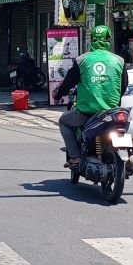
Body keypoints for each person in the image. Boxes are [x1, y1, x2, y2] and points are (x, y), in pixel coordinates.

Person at [54, 25, 128, 168]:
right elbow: (123, 86)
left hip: (86, 113)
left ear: (92, 40)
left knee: (63, 121)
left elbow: (68, 83)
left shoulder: (82, 60)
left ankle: (75, 157)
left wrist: (58, 94)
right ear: (109, 40)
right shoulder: (119, 60)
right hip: (111, 113)